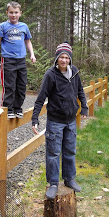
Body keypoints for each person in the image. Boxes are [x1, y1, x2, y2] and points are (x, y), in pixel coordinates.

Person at [31, 42, 88, 199]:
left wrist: (84, 107)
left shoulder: (75, 72)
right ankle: (53, 183)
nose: (64, 60)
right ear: (56, 58)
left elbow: (80, 91)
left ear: (70, 59)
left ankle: (69, 179)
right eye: (61, 57)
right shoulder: (50, 75)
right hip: (55, 121)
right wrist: (34, 118)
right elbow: (41, 97)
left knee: (70, 151)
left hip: (70, 121)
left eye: (66, 57)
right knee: (53, 153)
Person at [0, 1, 36, 119]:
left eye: (16, 12)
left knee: (21, 86)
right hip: (8, 60)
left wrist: (32, 54)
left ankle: (18, 108)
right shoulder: (3, 26)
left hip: (21, 60)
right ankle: (9, 109)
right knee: (10, 86)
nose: (13, 15)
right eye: (11, 12)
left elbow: (28, 41)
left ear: (20, 13)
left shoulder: (24, 27)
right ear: (7, 13)